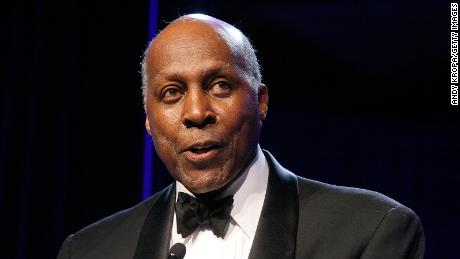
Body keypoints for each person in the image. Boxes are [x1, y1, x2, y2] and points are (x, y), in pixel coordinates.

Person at [57, 14, 425, 259]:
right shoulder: (88, 251)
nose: (197, 112)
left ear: (261, 101)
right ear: (149, 121)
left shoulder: (371, 232)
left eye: (219, 85)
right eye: (172, 93)